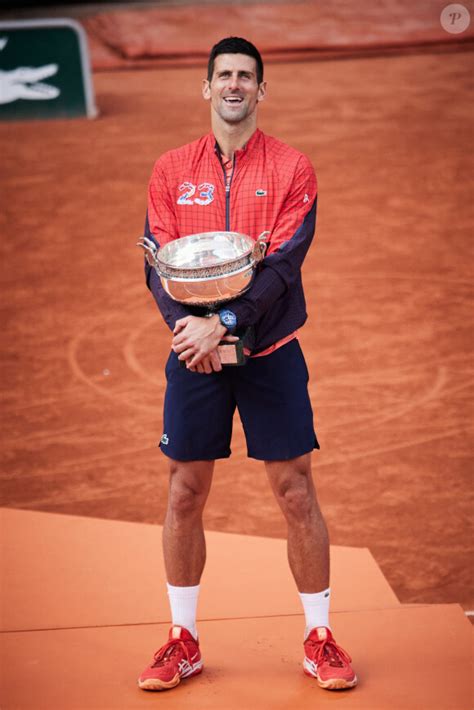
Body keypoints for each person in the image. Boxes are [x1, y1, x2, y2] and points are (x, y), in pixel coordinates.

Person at [138, 36, 357, 693]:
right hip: (193, 352)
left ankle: (319, 637)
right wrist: (190, 331)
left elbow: (284, 267)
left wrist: (226, 323)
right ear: (206, 88)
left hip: (271, 351)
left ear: (262, 90)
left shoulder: (292, 169)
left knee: (295, 490)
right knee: (184, 491)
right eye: (224, 75)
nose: (234, 85)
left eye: (246, 77)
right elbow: (157, 261)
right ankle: (184, 639)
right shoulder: (171, 170)